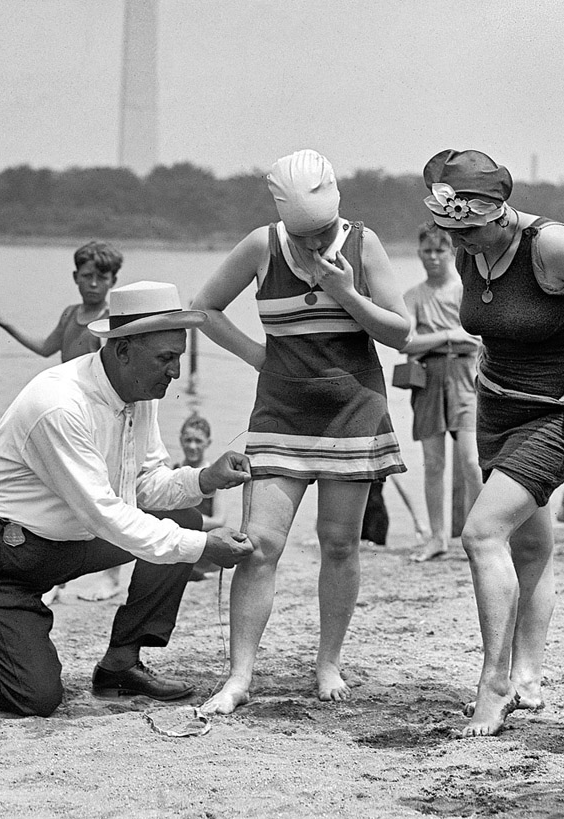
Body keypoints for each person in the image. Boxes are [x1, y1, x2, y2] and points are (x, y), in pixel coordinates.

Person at [0, 281, 254, 717]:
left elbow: (142, 484)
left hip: (67, 541)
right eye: (166, 358)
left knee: (183, 518)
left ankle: (121, 665)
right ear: (122, 350)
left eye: (178, 357)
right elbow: (108, 514)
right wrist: (205, 548)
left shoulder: (138, 391)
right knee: (35, 697)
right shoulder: (60, 406)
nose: (176, 372)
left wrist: (205, 479)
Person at [421, 149, 564, 737]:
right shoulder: (469, 244)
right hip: (496, 408)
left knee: (480, 533)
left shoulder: (549, 245)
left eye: (468, 231)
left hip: (562, 411)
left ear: (499, 213)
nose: (460, 244)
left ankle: (494, 681)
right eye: (452, 232)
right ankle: (527, 675)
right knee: (529, 547)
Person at [191, 149, 410, 714]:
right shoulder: (262, 245)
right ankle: (239, 676)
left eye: (321, 232)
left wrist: (346, 294)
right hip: (280, 417)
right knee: (258, 547)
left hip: (352, 416)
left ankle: (328, 662)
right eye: (303, 234)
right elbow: (205, 309)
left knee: (339, 545)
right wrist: (259, 357)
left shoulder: (365, 245)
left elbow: (402, 334)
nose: (313, 245)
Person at [0, 240, 127, 604]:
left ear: (113, 280)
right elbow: (46, 347)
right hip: (67, 413)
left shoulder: (111, 319)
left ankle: (112, 577)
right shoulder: (69, 314)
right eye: (87, 276)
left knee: (107, 491)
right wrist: (4, 322)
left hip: (99, 414)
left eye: (101, 277)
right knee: (59, 494)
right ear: (76, 277)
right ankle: (56, 580)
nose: (93, 284)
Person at [402, 222, 483, 561]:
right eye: (427, 251)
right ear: (419, 253)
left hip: (466, 376)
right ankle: (437, 537)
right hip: (428, 377)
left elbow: (482, 338)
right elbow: (406, 342)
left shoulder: (466, 291)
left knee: (472, 461)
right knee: (434, 463)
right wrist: (449, 336)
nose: (433, 257)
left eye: (440, 250)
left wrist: (460, 340)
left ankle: (480, 533)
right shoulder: (413, 296)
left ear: (452, 252)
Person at [173, 413, 226, 581]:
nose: (193, 446)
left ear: (208, 443)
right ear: (181, 440)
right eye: (188, 440)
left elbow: (219, 520)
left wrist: (187, 520)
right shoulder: (172, 472)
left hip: (203, 551)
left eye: (198, 441)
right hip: (179, 547)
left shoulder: (215, 475)